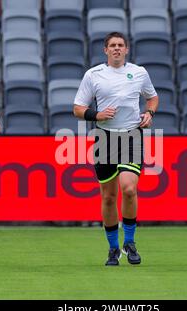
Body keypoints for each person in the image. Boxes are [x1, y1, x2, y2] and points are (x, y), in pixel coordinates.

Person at [73, 32, 159, 266]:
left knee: (129, 189)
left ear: (127, 49)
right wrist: (97, 114)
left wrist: (149, 113)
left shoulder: (139, 72)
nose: (117, 49)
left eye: (121, 45)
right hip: (104, 137)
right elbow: (78, 108)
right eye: (112, 45)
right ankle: (113, 249)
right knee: (109, 197)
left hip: (132, 134)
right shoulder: (94, 75)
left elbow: (152, 98)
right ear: (105, 50)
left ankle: (129, 242)